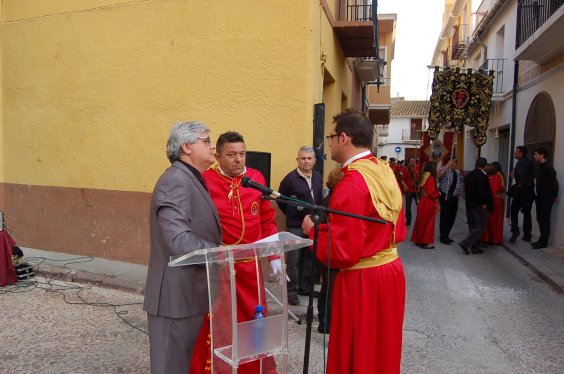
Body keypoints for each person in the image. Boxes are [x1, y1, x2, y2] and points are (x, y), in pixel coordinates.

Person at [302, 110, 406, 373]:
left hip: (363, 279)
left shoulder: (351, 182)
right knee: (381, 349)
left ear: (344, 138)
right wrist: (326, 229)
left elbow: (343, 253)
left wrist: (314, 233)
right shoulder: (382, 169)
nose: (329, 142)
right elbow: (373, 224)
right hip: (390, 269)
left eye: (332, 136)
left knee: (358, 349)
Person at [190, 131, 279, 374]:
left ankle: (254, 368)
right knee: (223, 324)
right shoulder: (205, 182)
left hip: (251, 269)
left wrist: (275, 257)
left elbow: (267, 221)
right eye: (231, 155)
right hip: (221, 269)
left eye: (242, 154)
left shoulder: (255, 178)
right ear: (218, 156)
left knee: (254, 322)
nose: (239, 160)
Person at [143, 121, 222, 374]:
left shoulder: (192, 178)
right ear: (186, 146)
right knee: (170, 367)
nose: (212, 146)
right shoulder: (175, 180)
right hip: (175, 297)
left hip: (190, 294)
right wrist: (219, 252)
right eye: (206, 141)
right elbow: (177, 240)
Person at [277, 146, 323, 305]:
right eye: (303, 158)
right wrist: (293, 215)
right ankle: (291, 291)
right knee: (294, 261)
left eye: (309, 158)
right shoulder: (289, 179)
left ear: (315, 160)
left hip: (312, 225)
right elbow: (280, 201)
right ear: (298, 160)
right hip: (296, 225)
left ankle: (305, 287)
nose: (306, 161)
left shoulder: (317, 176)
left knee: (310, 259)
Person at [316, 167, 343, 334]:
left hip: (326, 252)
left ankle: (323, 321)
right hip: (332, 252)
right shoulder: (334, 201)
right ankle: (327, 323)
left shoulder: (327, 199)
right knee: (331, 291)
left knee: (326, 288)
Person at [459, 157, 494, 255]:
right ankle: (466, 243)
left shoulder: (469, 175)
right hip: (479, 205)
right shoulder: (483, 176)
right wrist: (484, 203)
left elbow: (467, 191)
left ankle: (475, 246)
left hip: (470, 204)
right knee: (480, 226)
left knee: (472, 226)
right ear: (485, 166)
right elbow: (482, 191)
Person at [531, 147, 559, 249]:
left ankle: (544, 242)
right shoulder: (539, 167)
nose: (534, 156)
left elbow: (555, 183)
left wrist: (555, 195)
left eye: (536, 154)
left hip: (547, 196)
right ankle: (541, 239)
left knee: (544, 219)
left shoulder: (548, 168)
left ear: (542, 155)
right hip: (540, 196)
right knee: (540, 218)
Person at [411, 161, 440, 249]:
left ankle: (418, 240)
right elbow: (431, 192)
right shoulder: (430, 177)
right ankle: (424, 242)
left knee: (421, 221)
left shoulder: (424, 175)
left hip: (422, 201)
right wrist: (438, 193)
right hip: (428, 202)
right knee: (428, 222)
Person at [509, 146, 535, 243]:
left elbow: (522, 177)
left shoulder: (520, 163)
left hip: (522, 192)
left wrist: (517, 187)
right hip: (530, 192)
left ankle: (515, 230)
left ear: (521, 153)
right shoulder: (530, 163)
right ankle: (527, 235)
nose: (515, 153)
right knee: (527, 213)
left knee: (514, 210)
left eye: (516, 152)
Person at [437, 157, 463, 244]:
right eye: (453, 162)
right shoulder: (444, 169)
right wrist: (447, 166)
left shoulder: (458, 172)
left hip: (455, 197)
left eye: (456, 162)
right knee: (445, 216)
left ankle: (447, 234)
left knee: (452, 217)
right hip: (446, 196)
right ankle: (443, 236)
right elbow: (438, 175)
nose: (455, 163)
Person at [482, 162, 505, 245]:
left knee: (492, 220)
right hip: (497, 200)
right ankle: (495, 238)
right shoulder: (496, 176)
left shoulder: (496, 176)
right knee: (496, 221)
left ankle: (493, 238)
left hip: (495, 200)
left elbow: (500, 188)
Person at [398, 157, 419, 225]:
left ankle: (420, 218)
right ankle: (408, 219)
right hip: (409, 190)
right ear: (408, 162)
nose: (412, 162)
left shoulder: (417, 169)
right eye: (411, 161)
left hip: (416, 190)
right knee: (408, 206)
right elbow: (402, 179)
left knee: (419, 205)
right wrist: (405, 186)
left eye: (413, 161)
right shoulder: (405, 170)